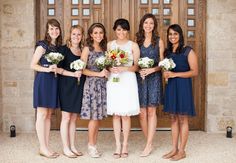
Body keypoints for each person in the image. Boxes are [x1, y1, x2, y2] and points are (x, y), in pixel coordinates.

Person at [162, 24, 198, 161]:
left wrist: (175, 75)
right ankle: (174, 148)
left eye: (175, 34)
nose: (172, 36)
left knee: (183, 118)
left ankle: (182, 151)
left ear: (180, 35)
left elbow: (195, 72)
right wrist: (166, 75)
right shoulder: (167, 52)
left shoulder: (188, 51)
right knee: (173, 118)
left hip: (183, 87)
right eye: (170, 34)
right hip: (171, 87)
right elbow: (165, 70)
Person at [106, 18, 140, 159]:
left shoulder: (133, 45)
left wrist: (124, 67)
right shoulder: (110, 45)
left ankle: (125, 144)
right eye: (119, 29)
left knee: (125, 114)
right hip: (114, 80)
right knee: (116, 114)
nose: (121, 32)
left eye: (124, 29)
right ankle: (117, 145)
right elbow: (107, 64)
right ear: (115, 30)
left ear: (128, 30)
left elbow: (136, 67)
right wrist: (111, 67)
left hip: (128, 80)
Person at [30, 19, 62, 158]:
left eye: (56, 29)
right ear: (47, 31)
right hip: (43, 81)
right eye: (51, 29)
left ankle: (46, 146)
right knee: (42, 114)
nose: (54, 31)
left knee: (48, 115)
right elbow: (33, 65)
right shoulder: (42, 46)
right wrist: (47, 68)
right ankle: (42, 147)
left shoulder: (57, 47)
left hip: (53, 82)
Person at [135, 13, 164, 157]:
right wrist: (139, 70)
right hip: (140, 79)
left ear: (154, 26)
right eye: (146, 23)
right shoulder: (137, 41)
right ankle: (150, 142)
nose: (148, 25)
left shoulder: (159, 41)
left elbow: (162, 63)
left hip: (154, 79)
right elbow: (134, 62)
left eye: (151, 23)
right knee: (142, 113)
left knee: (151, 111)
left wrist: (153, 69)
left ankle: (148, 145)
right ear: (142, 24)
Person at [80, 23, 109, 158]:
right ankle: (91, 145)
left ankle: (94, 144)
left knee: (98, 118)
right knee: (93, 117)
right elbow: (82, 69)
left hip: (102, 85)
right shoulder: (87, 49)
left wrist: (107, 72)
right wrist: (98, 74)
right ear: (91, 35)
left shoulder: (104, 49)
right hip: (92, 85)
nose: (98, 35)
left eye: (101, 32)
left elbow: (106, 68)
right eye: (95, 33)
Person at [56, 25, 85, 158]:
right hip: (66, 86)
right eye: (74, 34)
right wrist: (73, 74)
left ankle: (73, 146)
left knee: (74, 118)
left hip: (79, 87)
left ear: (82, 36)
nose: (76, 37)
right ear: (70, 35)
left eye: (79, 34)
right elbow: (58, 69)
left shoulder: (83, 50)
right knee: (66, 117)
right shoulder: (64, 49)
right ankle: (65, 147)